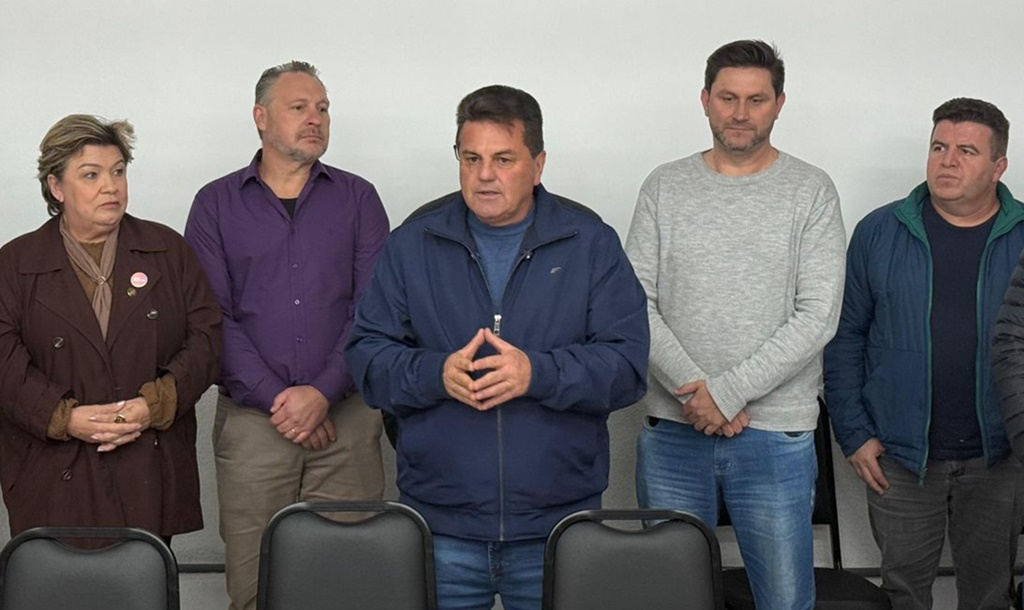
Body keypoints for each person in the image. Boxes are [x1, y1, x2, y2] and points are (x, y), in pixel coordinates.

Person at [345, 84, 649, 610]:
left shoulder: (590, 242)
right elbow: (367, 358)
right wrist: (436, 374)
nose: (484, 174)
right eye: (471, 159)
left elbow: (627, 366)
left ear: (538, 164)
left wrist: (538, 374)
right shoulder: (412, 244)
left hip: (559, 525)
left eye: (503, 159)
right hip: (441, 523)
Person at [625, 40, 845, 610]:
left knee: (783, 602)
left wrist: (724, 394)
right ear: (705, 100)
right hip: (674, 431)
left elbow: (818, 314)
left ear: (779, 104)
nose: (740, 113)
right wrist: (699, 394)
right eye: (728, 98)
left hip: (775, 437)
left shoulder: (811, 191)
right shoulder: (664, 186)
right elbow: (634, 304)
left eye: (756, 99)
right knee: (672, 598)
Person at [184, 61, 388, 610]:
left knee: (349, 587)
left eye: (322, 108)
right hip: (255, 426)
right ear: (260, 117)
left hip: (346, 422)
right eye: (299, 107)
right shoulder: (215, 204)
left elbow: (374, 311)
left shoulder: (359, 199)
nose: (315, 118)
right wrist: (284, 401)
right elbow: (210, 317)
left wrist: (321, 393)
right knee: (256, 588)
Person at [827, 98, 1024, 610]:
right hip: (899, 458)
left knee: (990, 596)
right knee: (903, 596)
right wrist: (855, 434)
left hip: (1001, 456)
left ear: (999, 166)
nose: (947, 161)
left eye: (966, 151)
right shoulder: (879, 232)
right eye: (939, 147)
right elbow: (845, 338)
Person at [0, 114, 221, 540]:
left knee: (144, 575)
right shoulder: (14, 264)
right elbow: (5, 366)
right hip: (53, 471)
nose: (111, 186)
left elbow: (207, 339)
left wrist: (153, 405)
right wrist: (64, 417)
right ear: (56, 187)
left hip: (147, 465)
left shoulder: (167, 250)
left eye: (118, 172)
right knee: (58, 578)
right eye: (91, 174)